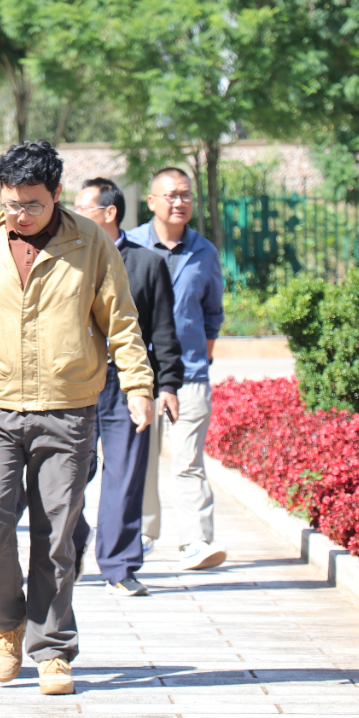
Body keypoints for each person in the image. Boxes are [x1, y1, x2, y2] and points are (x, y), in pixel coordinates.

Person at [0, 141, 154, 696]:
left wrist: (138, 385)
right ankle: (7, 624)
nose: (20, 214)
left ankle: (52, 649)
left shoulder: (90, 242)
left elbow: (121, 320)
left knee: (57, 533)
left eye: (33, 204)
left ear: (57, 193)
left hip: (67, 408)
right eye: (11, 203)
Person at [70, 178, 184, 597]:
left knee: (125, 473)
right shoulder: (66, 260)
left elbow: (164, 330)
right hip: (77, 383)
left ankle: (119, 565)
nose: (73, 215)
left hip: (128, 383)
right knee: (69, 472)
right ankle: (72, 542)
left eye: (82, 208)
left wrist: (167, 384)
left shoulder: (147, 264)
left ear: (109, 213)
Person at [127, 167, 226, 571]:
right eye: (170, 195)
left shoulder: (205, 252)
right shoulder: (130, 246)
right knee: (140, 459)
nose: (179, 202)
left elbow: (212, 315)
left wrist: (201, 361)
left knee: (188, 460)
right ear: (151, 201)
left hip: (189, 374)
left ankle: (196, 541)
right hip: (138, 373)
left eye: (185, 195)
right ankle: (142, 534)